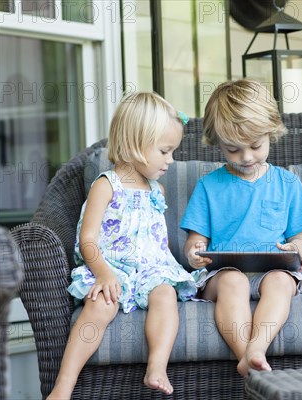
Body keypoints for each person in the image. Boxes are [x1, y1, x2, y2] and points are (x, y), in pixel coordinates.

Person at [47, 92, 197, 399]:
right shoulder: (105, 185)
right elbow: (86, 240)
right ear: (134, 143)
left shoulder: (158, 189)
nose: (171, 160)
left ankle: (157, 366)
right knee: (100, 307)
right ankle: (63, 387)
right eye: (165, 151)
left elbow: (156, 240)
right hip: (111, 268)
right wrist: (103, 274)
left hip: (151, 272)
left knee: (166, 294)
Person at [181, 79, 302, 377]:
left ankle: (256, 349)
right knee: (233, 282)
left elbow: (300, 237)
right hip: (224, 274)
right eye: (232, 149)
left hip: (274, 269)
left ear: (271, 132)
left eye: (256, 146)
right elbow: (195, 241)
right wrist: (194, 254)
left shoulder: (287, 183)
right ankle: (248, 360)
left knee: (282, 282)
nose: (245, 157)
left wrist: (299, 248)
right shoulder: (208, 187)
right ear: (217, 142)